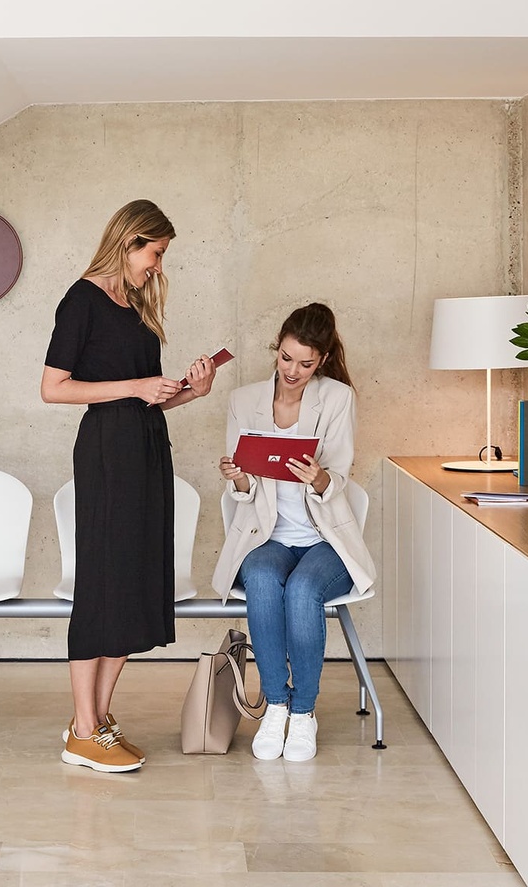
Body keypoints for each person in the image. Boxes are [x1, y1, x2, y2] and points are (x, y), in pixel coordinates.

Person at [41, 199, 217, 773]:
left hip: (145, 447)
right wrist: (135, 384)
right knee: (103, 579)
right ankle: (82, 730)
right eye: (156, 253)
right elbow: (54, 389)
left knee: (136, 576)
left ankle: (97, 720)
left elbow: (147, 395)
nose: (159, 267)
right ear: (129, 241)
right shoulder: (81, 300)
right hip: (107, 454)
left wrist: (193, 390)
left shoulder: (134, 306)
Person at [213, 303, 376, 762]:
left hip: (324, 539)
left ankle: (303, 711)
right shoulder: (244, 401)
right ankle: (276, 706)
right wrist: (238, 477)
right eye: (286, 358)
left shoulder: (338, 399)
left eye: (306, 364)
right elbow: (242, 491)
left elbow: (339, 476)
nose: (293, 370)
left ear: (322, 360)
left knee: (304, 590)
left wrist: (318, 477)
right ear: (277, 350)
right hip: (270, 536)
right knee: (263, 581)